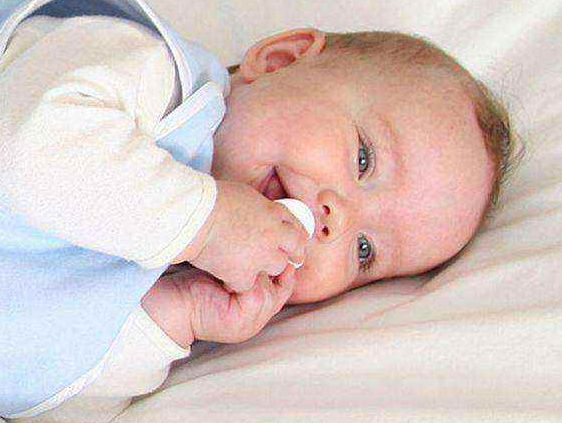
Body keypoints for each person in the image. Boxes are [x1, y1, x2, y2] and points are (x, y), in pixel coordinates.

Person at [0, 0, 516, 421]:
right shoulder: (149, 73)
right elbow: (32, 152)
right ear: (280, 61)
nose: (337, 220)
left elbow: (41, 396)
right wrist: (205, 224)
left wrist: (177, 316)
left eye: (364, 251)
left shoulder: (169, 274)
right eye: (363, 159)